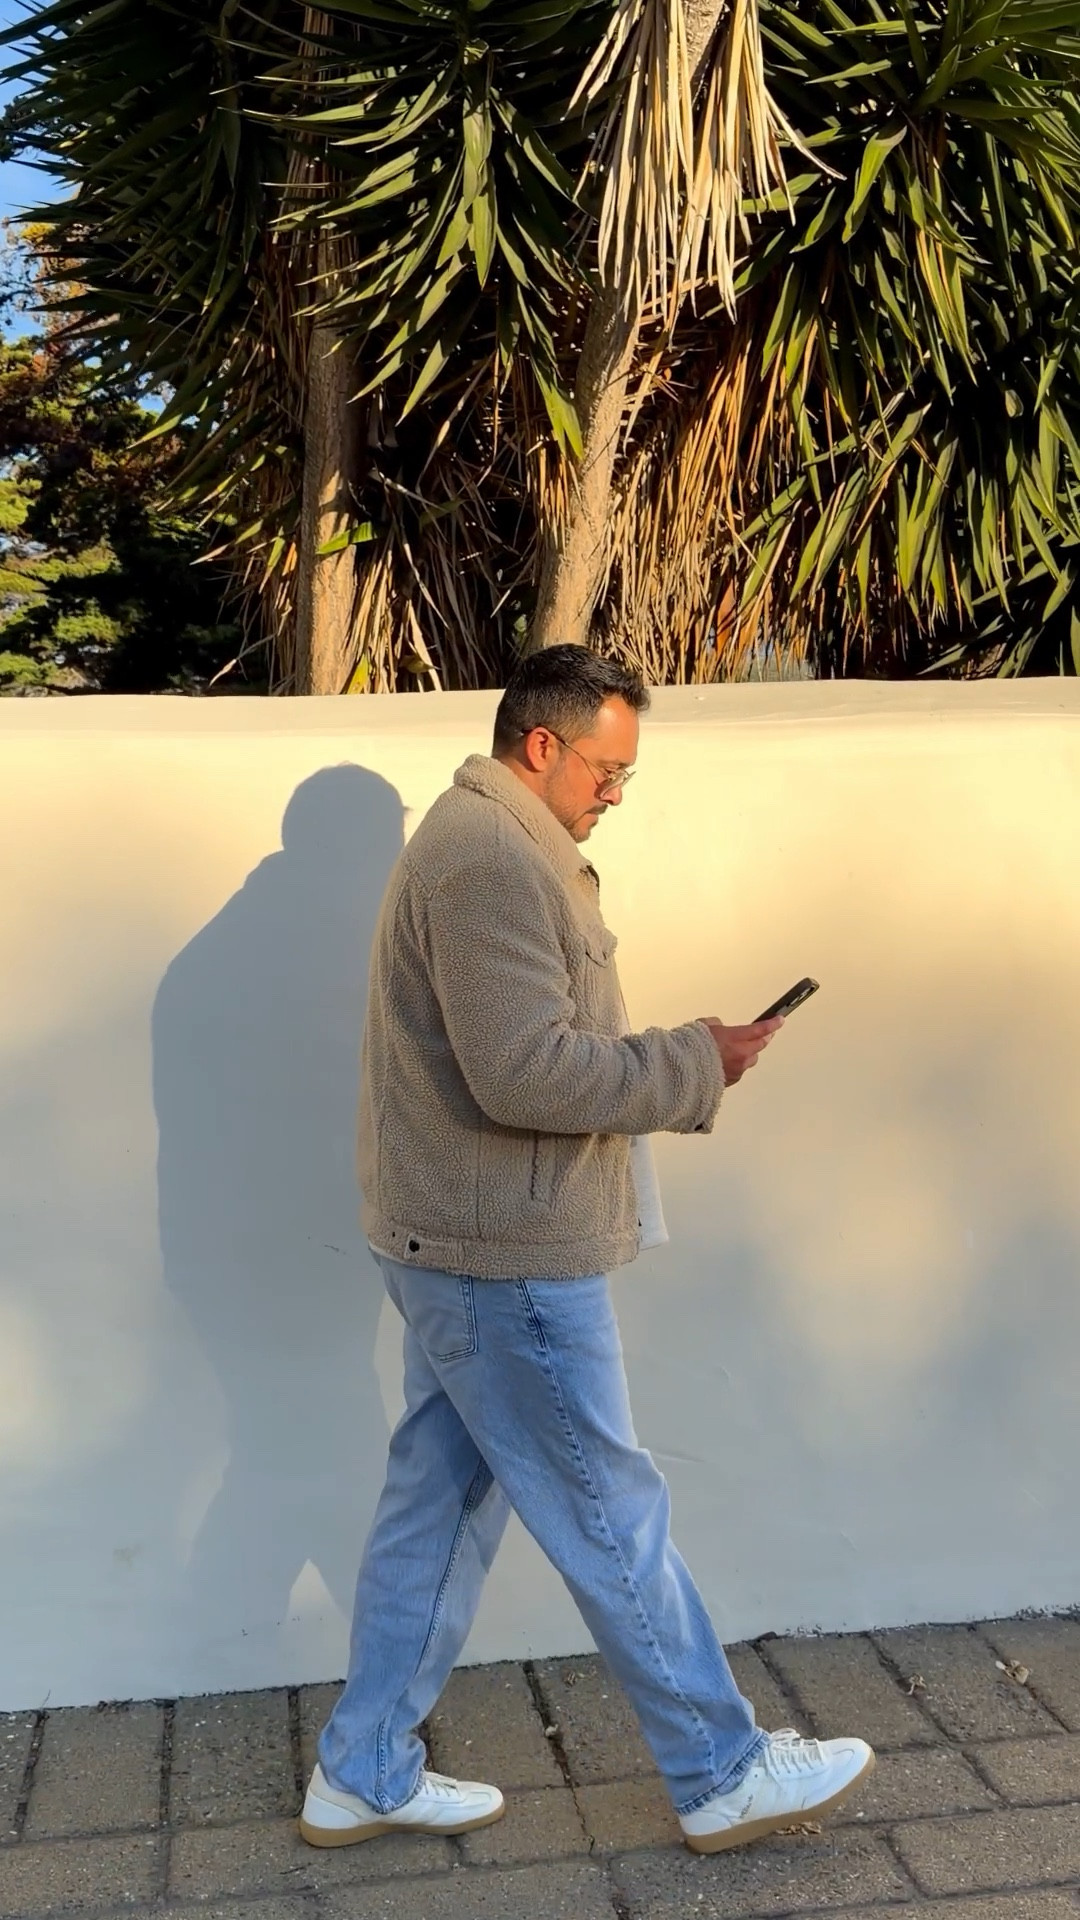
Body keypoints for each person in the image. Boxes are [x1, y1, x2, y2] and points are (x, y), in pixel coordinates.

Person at [300, 645, 874, 1856]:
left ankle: (360, 1769)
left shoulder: (493, 845)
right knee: (613, 1516)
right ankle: (721, 1773)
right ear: (542, 745)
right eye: (608, 768)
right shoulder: (489, 858)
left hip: (463, 1240)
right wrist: (696, 1060)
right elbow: (524, 1071)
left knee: (437, 1512)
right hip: (498, 1256)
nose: (620, 791)